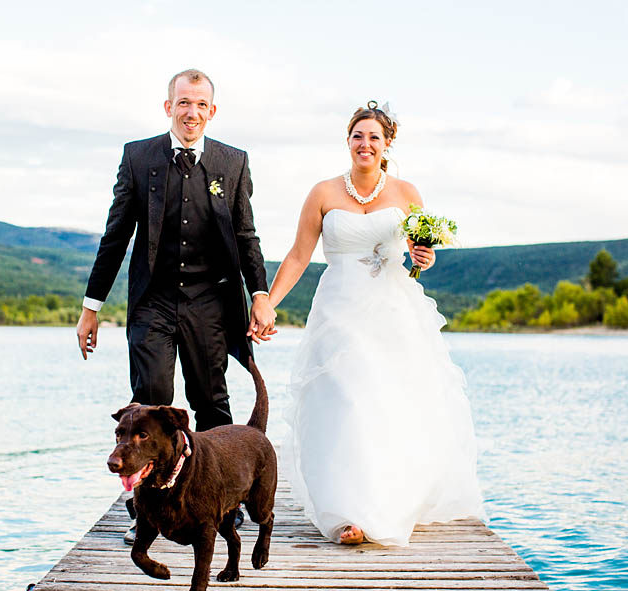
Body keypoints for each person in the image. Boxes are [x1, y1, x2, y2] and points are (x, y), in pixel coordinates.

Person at [266, 101, 485, 545]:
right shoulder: (323, 193)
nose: (365, 144)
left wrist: (425, 256)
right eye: (357, 136)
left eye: (374, 137)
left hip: (391, 308)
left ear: (387, 145)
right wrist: (268, 303)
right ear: (348, 141)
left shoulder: (406, 193)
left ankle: (385, 502)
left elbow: (423, 252)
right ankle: (346, 512)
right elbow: (297, 255)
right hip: (338, 309)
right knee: (343, 400)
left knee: (386, 402)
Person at [76, 69, 276, 541]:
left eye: (201, 104)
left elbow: (247, 235)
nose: (192, 112)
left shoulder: (233, 162)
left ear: (212, 110)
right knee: (150, 400)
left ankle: (223, 502)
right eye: (183, 103)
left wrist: (261, 295)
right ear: (169, 107)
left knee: (211, 401)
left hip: (210, 301)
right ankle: (145, 509)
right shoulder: (138, 156)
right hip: (154, 301)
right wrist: (92, 307)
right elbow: (116, 236)